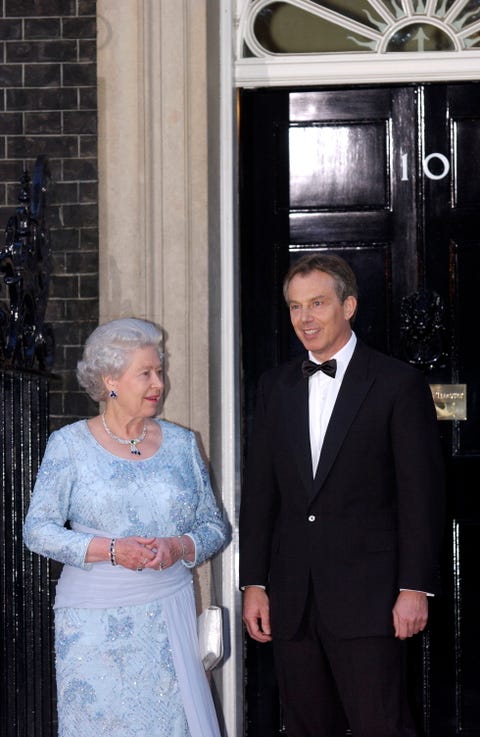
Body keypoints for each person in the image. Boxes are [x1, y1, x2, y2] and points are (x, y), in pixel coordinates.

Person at [239, 253, 445, 737]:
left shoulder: (398, 383)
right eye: (294, 307)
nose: (304, 319)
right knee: (307, 727)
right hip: (292, 599)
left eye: (317, 304)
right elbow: (261, 492)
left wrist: (414, 587)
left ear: (348, 306)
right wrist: (254, 582)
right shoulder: (275, 386)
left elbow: (421, 495)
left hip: (370, 597)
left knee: (383, 725)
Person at [24, 317, 228, 737]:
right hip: (93, 627)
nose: (158, 383)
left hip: (168, 620)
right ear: (110, 379)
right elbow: (38, 530)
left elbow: (214, 527)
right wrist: (112, 549)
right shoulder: (69, 446)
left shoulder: (182, 444)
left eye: (160, 371)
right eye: (146, 373)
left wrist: (179, 546)